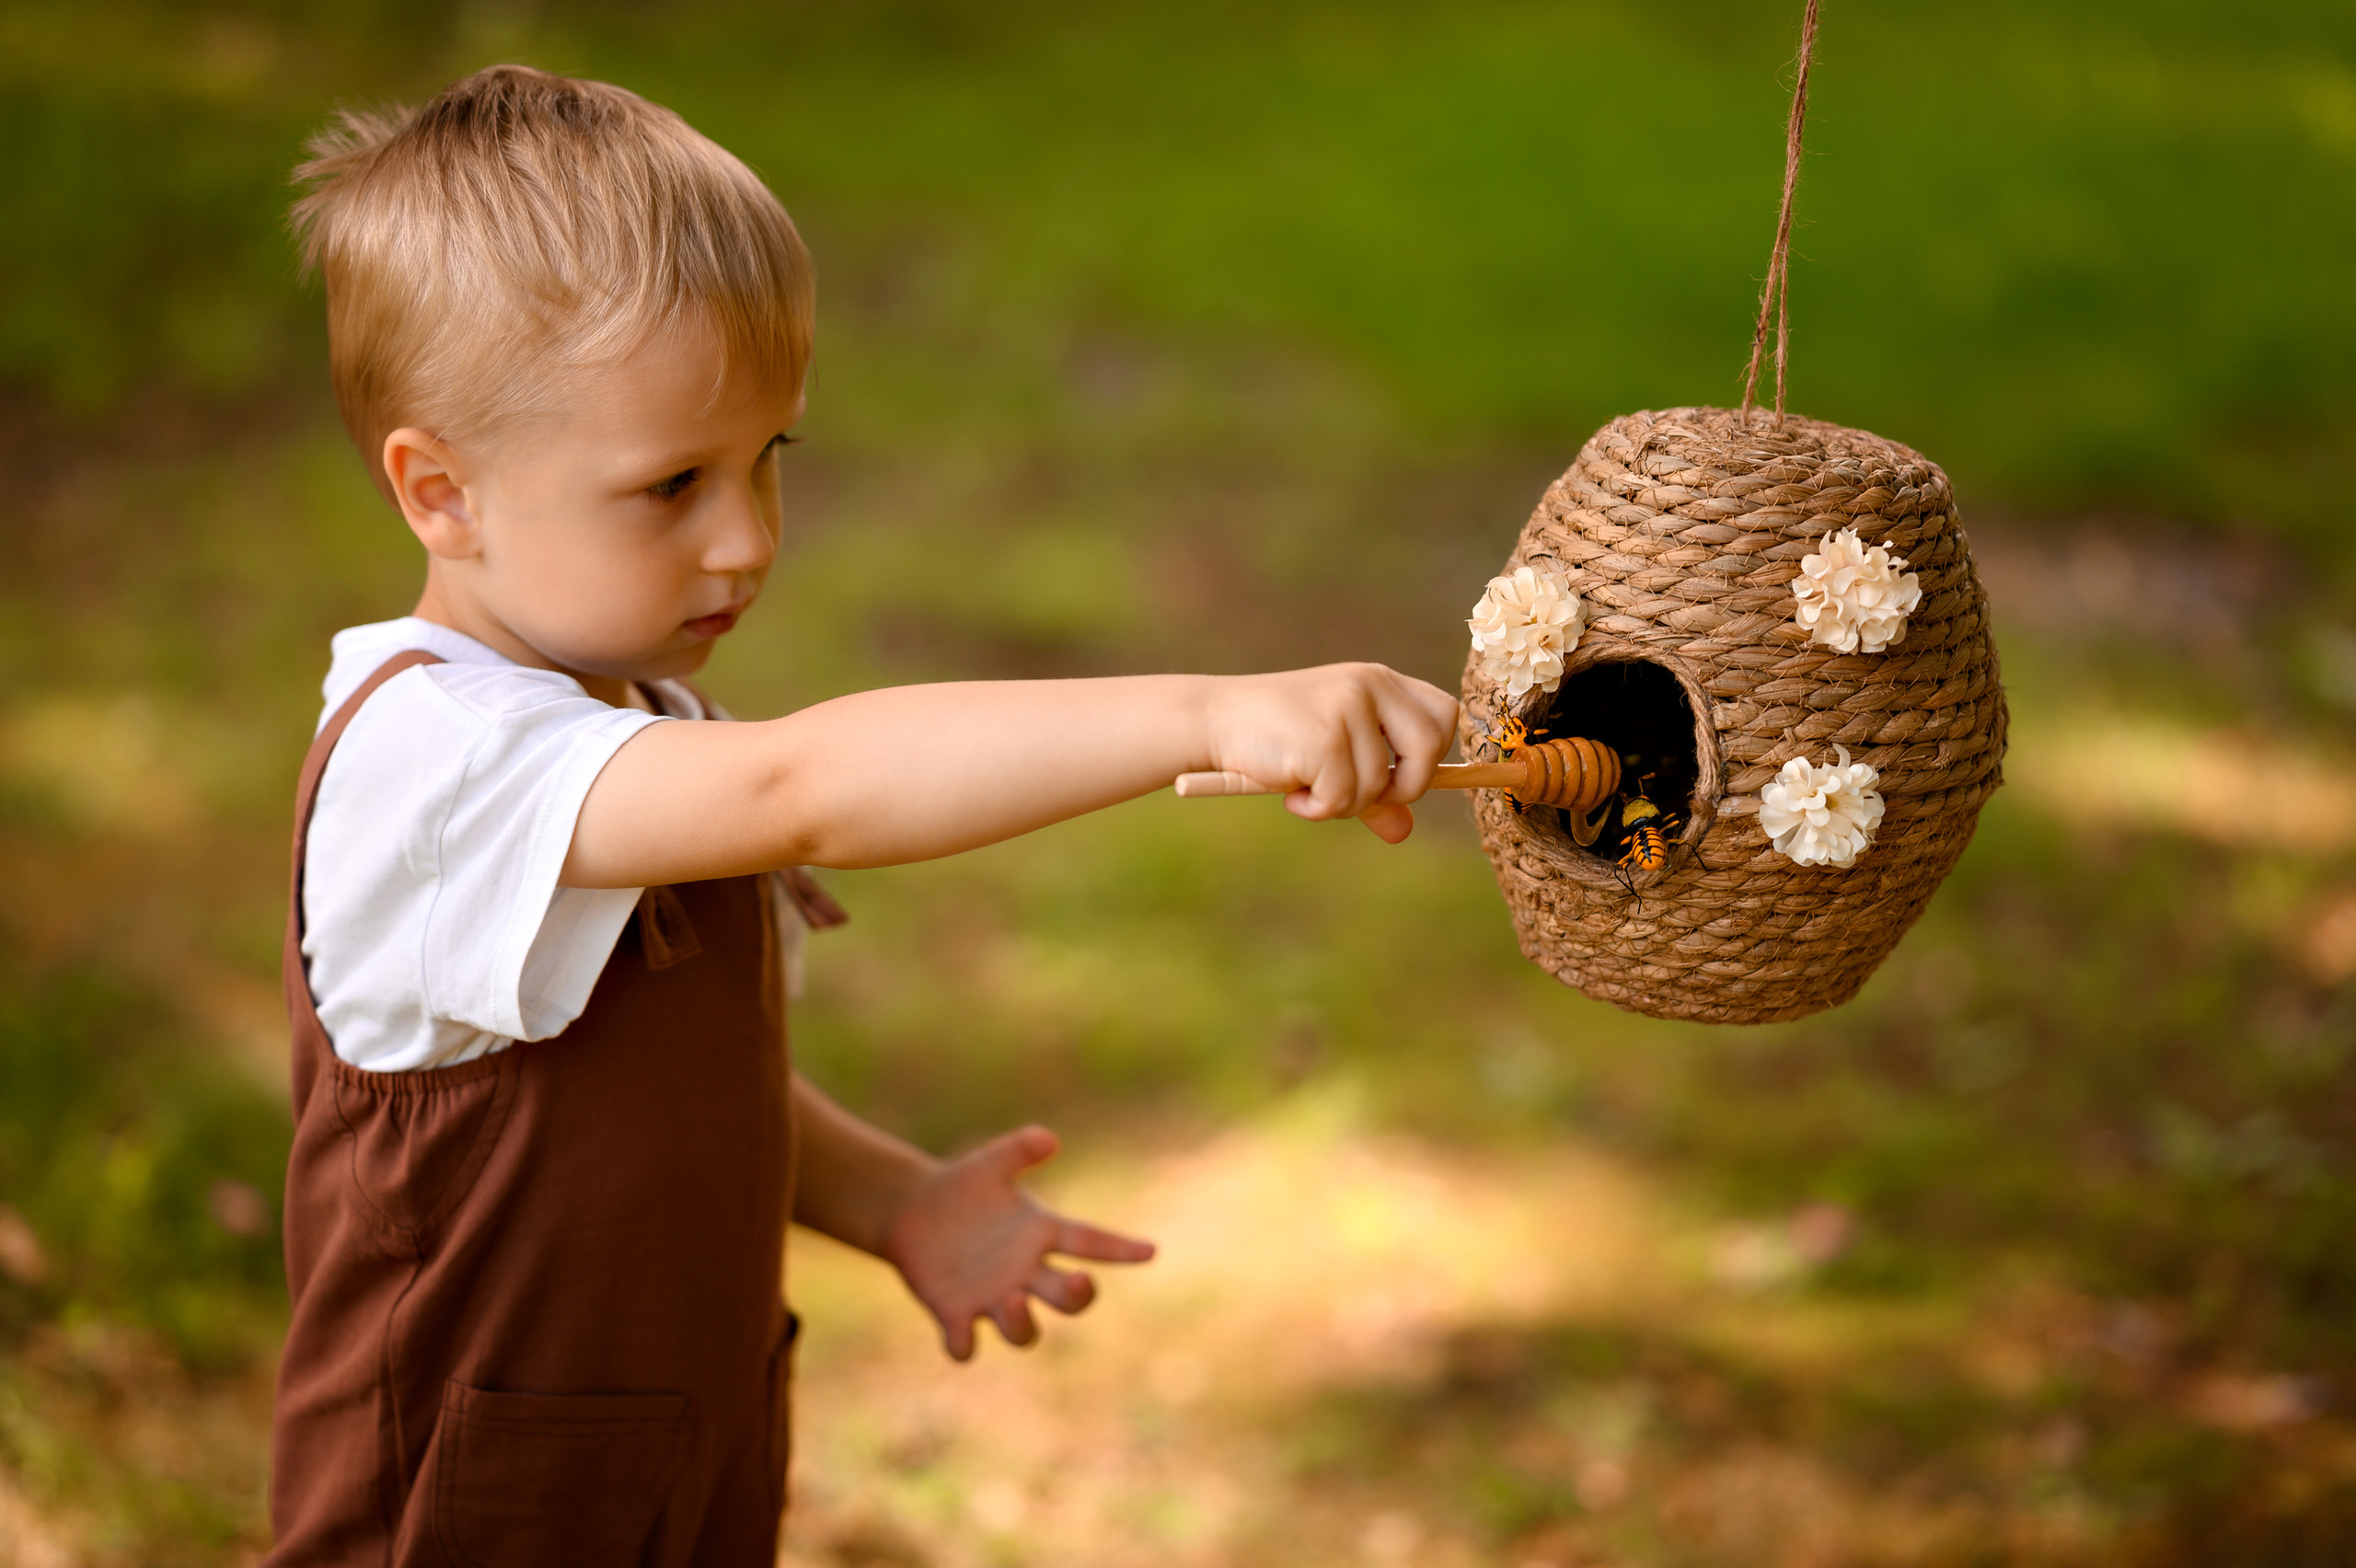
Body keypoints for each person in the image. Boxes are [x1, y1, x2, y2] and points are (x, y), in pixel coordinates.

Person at [268, 63, 1458, 1565]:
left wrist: (890, 1198)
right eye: (671, 485)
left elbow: (644, 1096)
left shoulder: (625, 726)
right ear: (442, 493)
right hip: (458, 1513)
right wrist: (1207, 714)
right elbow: (808, 787)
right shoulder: (437, 764)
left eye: (772, 460)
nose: (747, 539)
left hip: (661, 1466)